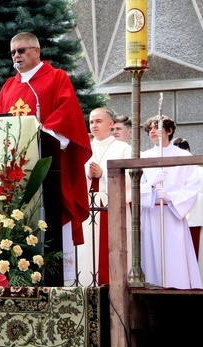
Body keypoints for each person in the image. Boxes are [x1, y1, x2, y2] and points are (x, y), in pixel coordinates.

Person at [0, 32, 92, 285]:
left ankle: (59, 279)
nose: (17, 56)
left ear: (36, 51)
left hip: (48, 164)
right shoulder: (9, 86)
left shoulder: (56, 77)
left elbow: (67, 113)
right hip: (17, 168)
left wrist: (43, 133)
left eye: (22, 50)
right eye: (13, 52)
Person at [139, 116, 202, 289]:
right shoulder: (144, 156)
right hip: (151, 213)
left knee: (175, 256)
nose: (152, 132)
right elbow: (135, 187)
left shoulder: (183, 156)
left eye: (156, 128)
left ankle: (179, 289)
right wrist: (150, 186)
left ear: (169, 130)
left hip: (172, 213)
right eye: (150, 129)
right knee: (152, 256)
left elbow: (193, 185)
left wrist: (171, 197)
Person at [79, 107, 131, 285]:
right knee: (86, 255)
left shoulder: (123, 148)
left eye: (98, 121)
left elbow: (131, 180)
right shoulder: (84, 148)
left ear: (110, 124)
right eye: (91, 121)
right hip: (87, 206)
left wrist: (103, 176)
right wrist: (88, 175)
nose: (94, 125)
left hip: (111, 207)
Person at [172, 137, 203, 287]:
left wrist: (187, 198)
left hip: (197, 226)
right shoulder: (171, 174)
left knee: (200, 269)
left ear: (188, 151)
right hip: (174, 224)